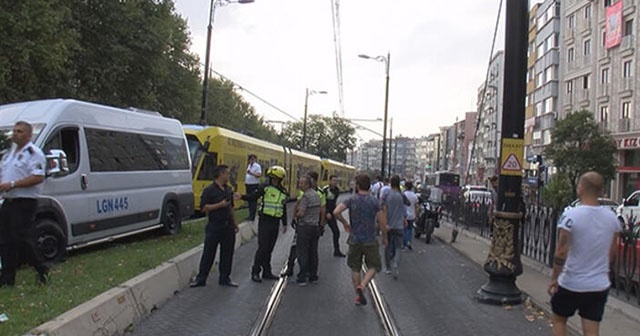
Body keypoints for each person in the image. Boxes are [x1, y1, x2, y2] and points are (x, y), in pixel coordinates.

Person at [547, 171, 621, 336]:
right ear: (600, 191)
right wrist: (605, 274)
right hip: (597, 284)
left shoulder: (570, 216)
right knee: (592, 327)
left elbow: (561, 252)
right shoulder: (612, 219)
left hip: (571, 281)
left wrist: (554, 278)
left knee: (559, 320)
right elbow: (612, 252)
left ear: (580, 188)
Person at [0, 121, 48, 287]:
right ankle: (7, 278)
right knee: (5, 241)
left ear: (28, 135)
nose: (15, 134)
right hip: (8, 201)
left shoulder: (34, 153)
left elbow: (38, 177)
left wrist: (13, 184)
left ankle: (41, 267)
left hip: (24, 202)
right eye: (14, 131)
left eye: (19, 131)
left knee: (21, 238)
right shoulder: (9, 154)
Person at [334, 174, 387, 306]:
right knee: (375, 265)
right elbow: (382, 221)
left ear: (357, 186)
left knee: (355, 267)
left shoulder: (351, 200)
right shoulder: (375, 201)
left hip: (354, 239)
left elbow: (336, 212)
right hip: (370, 239)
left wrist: (345, 222)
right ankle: (363, 285)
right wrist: (385, 237)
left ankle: (357, 296)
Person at [190, 165, 239, 288]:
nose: (228, 176)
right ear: (221, 174)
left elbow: (231, 207)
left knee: (227, 253)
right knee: (208, 252)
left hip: (228, 226)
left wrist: (235, 223)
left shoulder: (228, 190)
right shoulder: (209, 190)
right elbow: (204, 208)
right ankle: (201, 278)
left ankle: (225, 278)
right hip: (214, 226)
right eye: (227, 174)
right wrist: (219, 205)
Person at [240, 166, 289, 283]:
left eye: (276, 178)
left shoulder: (283, 191)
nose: (274, 180)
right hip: (265, 221)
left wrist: (285, 223)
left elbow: (283, 207)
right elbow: (253, 197)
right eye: (272, 178)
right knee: (263, 247)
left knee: (269, 248)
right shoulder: (265, 187)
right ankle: (255, 271)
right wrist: (241, 197)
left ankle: (267, 271)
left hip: (275, 222)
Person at [295, 175, 322, 286]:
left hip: (305, 227)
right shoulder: (316, 195)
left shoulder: (306, 196)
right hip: (315, 227)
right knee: (313, 252)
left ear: (307, 184)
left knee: (303, 252)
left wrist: (296, 215)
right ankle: (313, 275)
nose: (299, 184)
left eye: (301, 183)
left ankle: (302, 276)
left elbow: (301, 213)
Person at [382, 175, 407, 279]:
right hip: (399, 225)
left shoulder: (387, 195)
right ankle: (396, 263)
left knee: (387, 247)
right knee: (398, 247)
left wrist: (384, 224)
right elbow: (407, 204)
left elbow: (382, 208)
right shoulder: (401, 195)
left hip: (388, 225)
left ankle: (387, 268)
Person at [323, 175, 346, 257]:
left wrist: (335, 212)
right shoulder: (325, 189)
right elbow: (323, 202)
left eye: (336, 181)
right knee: (317, 233)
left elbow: (334, 202)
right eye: (333, 180)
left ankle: (337, 250)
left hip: (332, 213)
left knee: (336, 232)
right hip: (324, 213)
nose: (335, 182)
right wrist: (326, 212)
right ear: (330, 181)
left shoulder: (337, 190)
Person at [245, 154, 262, 221]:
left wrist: (251, 173)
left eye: (253, 159)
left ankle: (252, 216)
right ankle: (250, 215)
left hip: (254, 185)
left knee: (253, 201)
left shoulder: (257, 166)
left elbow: (259, 175)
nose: (251, 160)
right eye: (250, 159)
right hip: (248, 185)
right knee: (249, 200)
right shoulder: (249, 166)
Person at [402, 181, 419, 250]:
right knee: (409, 229)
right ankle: (408, 242)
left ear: (405, 187)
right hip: (412, 215)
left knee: (404, 230)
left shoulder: (403, 194)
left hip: (404, 215)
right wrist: (416, 215)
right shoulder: (414, 195)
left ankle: (404, 244)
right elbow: (416, 206)